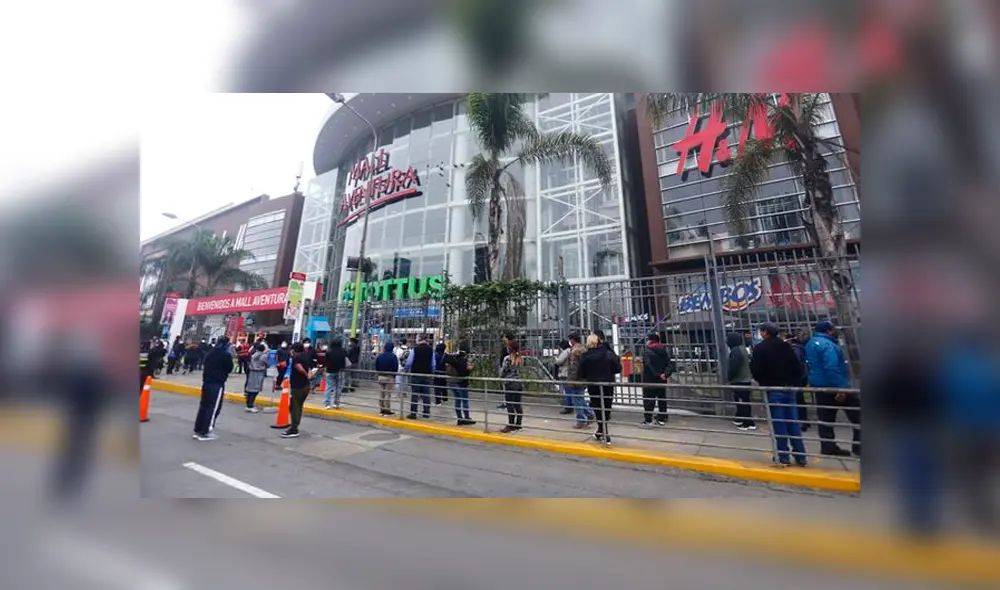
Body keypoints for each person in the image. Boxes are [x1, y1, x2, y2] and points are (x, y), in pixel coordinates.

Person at [750, 322, 808, 467]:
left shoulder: (760, 348)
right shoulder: (786, 347)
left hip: (773, 389)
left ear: (765, 333)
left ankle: (783, 457)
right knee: (793, 423)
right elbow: (797, 368)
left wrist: (764, 382)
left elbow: (756, 370)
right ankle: (800, 456)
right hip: (789, 389)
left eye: (761, 331)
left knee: (779, 425)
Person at [805, 320, 859, 457]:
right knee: (859, 416)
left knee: (825, 419)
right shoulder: (828, 345)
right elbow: (832, 368)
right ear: (828, 331)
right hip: (834, 386)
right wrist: (841, 389)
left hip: (819, 386)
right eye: (833, 330)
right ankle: (859, 447)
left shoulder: (811, 343)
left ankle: (828, 446)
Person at [578, 333, 621, 444]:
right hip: (607, 384)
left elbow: (581, 373)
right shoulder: (608, 354)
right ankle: (604, 431)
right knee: (606, 407)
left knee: (597, 407)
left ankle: (601, 430)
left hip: (593, 385)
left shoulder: (584, 356)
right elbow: (617, 368)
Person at [192, 336, 233, 441]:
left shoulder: (210, 353)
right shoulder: (225, 355)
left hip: (206, 382)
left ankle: (198, 429)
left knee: (203, 406)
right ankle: (206, 431)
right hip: (217, 383)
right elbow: (229, 368)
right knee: (213, 408)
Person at [282, 342, 315, 438]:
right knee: (298, 406)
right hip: (305, 386)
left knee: (294, 407)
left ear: (295, 350)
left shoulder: (296, 358)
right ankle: (295, 425)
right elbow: (309, 368)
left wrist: (307, 376)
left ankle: (294, 429)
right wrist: (309, 376)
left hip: (298, 386)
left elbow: (300, 369)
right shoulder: (305, 356)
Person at [641, 333, 673, 427]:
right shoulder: (663, 351)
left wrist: (656, 374)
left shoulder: (647, 351)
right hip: (662, 380)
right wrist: (664, 374)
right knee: (662, 399)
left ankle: (648, 420)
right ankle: (661, 419)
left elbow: (648, 365)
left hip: (650, 380)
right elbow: (670, 365)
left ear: (650, 341)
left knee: (648, 400)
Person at [564, 333, 595, 429]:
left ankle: (581, 421)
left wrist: (571, 381)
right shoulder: (583, 349)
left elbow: (573, 368)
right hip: (583, 378)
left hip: (576, 380)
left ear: (572, 340)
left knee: (576, 401)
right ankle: (589, 414)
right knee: (580, 399)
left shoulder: (575, 351)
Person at [726, 332, 756, 431]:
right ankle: (740, 418)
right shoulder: (743, 349)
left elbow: (734, 366)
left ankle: (747, 422)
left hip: (739, 380)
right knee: (744, 400)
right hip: (746, 379)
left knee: (742, 401)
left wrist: (730, 377)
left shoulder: (735, 351)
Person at [444, 341, 476, 426]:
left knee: (457, 400)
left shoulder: (454, 357)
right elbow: (463, 372)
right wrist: (470, 369)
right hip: (461, 383)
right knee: (464, 400)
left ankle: (459, 418)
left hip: (452, 382)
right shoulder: (463, 359)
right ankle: (466, 418)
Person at [785, 330, 811, 431]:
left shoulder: (794, 349)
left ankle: (802, 422)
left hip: (797, 377)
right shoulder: (798, 348)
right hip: (801, 377)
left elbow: (796, 364)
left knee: (797, 399)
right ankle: (803, 421)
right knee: (799, 399)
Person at [404, 335, 434, 419]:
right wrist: (431, 372)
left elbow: (409, 362)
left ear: (419, 340)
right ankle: (426, 412)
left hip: (416, 374)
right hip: (427, 374)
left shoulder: (415, 350)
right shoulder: (431, 350)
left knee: (415, 394)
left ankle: (413, 413)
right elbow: (433, 364)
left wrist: (405, 369)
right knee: (426, 394)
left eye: (416, 338)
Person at [499, 339, 525, 432]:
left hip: (509, 383)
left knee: (509, 405)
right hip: (518, 383)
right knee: (517, 405)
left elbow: (503, 371)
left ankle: (510, 425)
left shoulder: (507, 358)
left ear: (510, 348)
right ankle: (518, 424)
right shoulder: (520, 358)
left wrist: (501, 376)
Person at [374, 341, 399, 415]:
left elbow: (376, 366)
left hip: (381, 376)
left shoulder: (380, 356)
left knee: (381, 393)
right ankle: (387, 409)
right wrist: (394, 376)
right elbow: (395, 367)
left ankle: (381, 408)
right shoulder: (393, 356)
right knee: (388, 394)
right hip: (389, 376)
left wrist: (379, 374)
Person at [323, 337, 348, 409]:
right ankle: (336, 403)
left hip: (330, 371)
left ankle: (327, 404)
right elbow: (346, 361)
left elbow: (326, 362)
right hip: (340, 371)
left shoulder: (329, 351)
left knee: (328, 387)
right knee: (338, 388)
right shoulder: (343, 351)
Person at [244, 342, 268, 412]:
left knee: (250, 389)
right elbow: (267, 364)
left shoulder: (253, 355)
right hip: (259, 373)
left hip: (252, 372)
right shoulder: (264, 356)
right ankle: (250, 405)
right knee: (255, 390)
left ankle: (248, 404)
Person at [553, 340, 574, 414]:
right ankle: (570, 406)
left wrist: (555, 358)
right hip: (569, 372)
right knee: (570, 391)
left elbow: (559, 361)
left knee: (567, 391)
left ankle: (568, 407)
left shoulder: (565, 352)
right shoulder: (571, 350)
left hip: (565, 373)